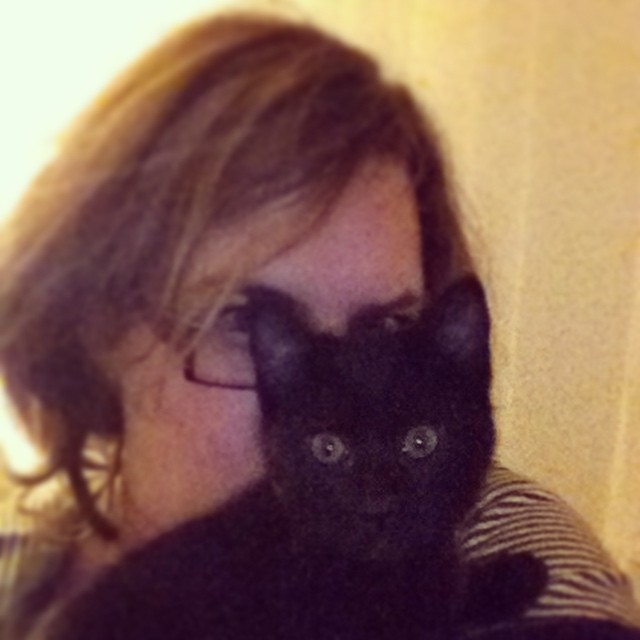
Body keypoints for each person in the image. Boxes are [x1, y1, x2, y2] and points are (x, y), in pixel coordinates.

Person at [0, 9, 638, 639]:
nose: (333, 400)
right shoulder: (27, 557)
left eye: (387, 326)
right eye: (245, 323)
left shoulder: (504, 538)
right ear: (95, 328)